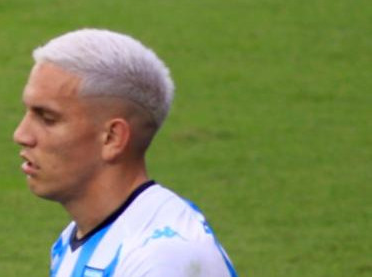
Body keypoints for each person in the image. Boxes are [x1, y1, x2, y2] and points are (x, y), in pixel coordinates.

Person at [13, 29, 236, 276]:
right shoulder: (75, 239)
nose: (21, 135)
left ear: (112, 138)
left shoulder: (162, 259)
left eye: (47, 118)